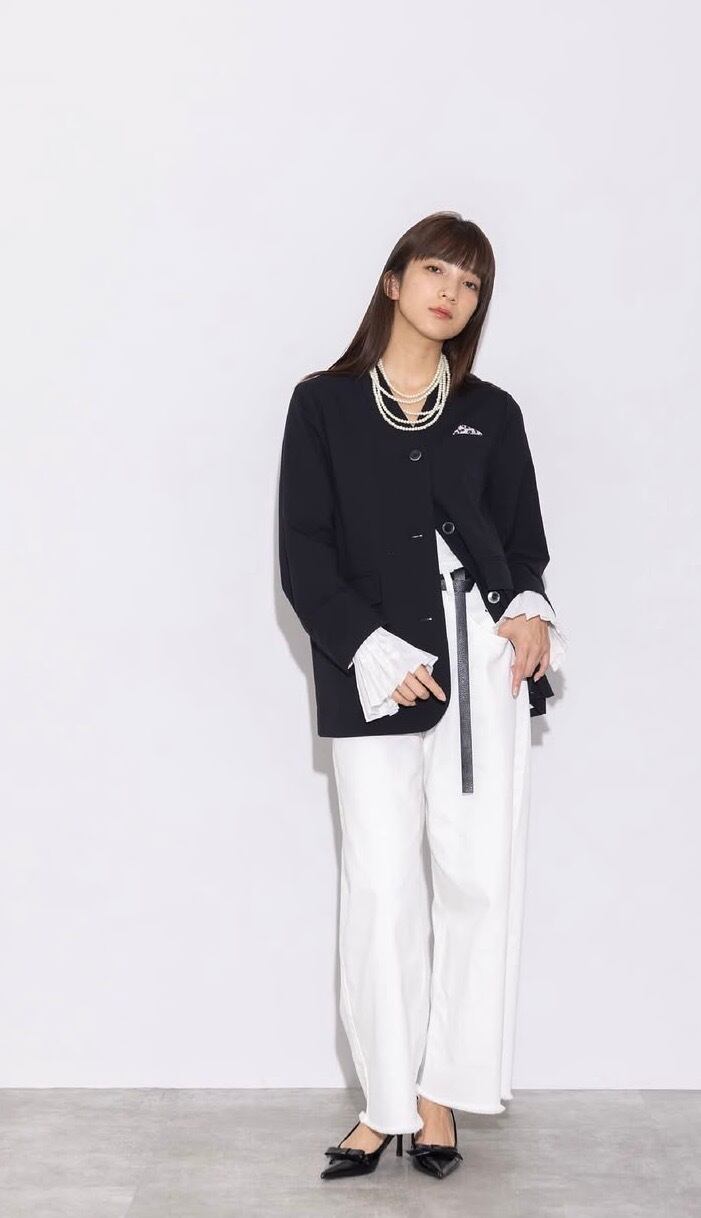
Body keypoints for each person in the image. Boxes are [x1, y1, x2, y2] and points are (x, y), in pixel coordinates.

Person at [277, 211, 567, 1182]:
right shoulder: (322, 404)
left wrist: (528, 610)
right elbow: (304, 552)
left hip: (481, 667)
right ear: (393, 281)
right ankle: (383, 1102)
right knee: (378, 887)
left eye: (471, 281)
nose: (452, 291)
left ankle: (440, 1094)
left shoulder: (492, 411)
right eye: (436, 270)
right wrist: (366, 645)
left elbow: (521, 543)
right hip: (371, 666)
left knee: (476, 881)